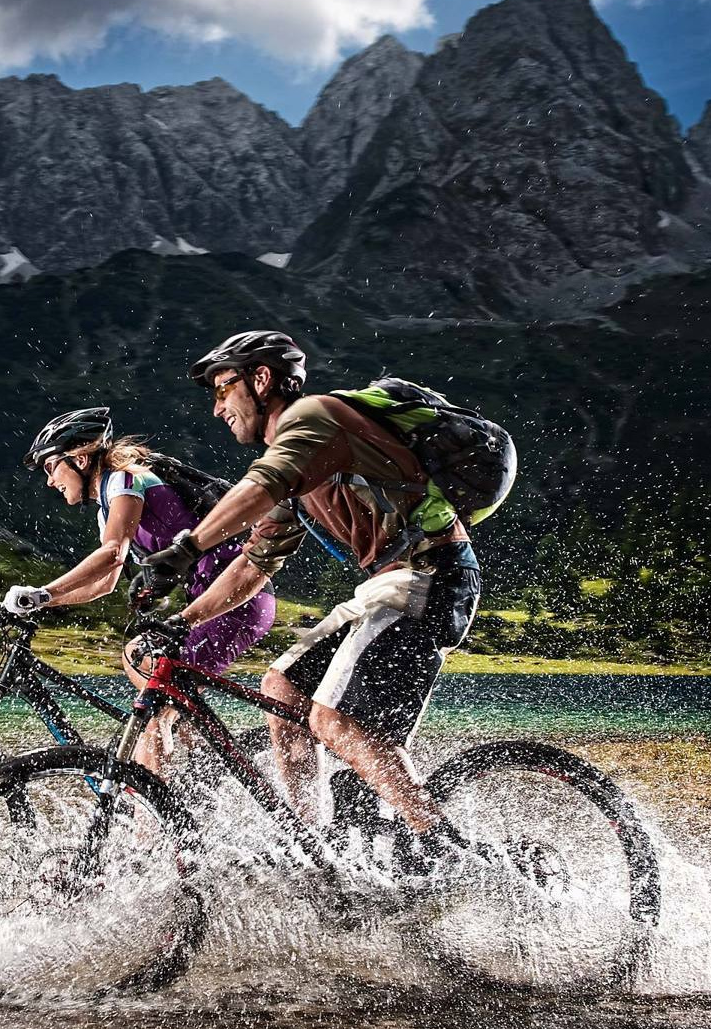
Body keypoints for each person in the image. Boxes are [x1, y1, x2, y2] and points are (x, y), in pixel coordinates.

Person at [134, 331, 484, 864]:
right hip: (388, 586)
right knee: (282, 690)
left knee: (334, 720)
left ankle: (450, 849)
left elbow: (261, 485)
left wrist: (185, 548)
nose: (216, 408)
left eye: (222, 389)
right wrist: (183, 621)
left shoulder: (314, 417)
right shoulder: (298, 467)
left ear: (261, 379)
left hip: (430, 574)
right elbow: (254, 564)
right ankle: (315, 848)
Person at [3, 407, 277, 773]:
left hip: (237, 598)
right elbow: (104, 582)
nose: (50, 481)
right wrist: (43, 602)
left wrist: (43, 592)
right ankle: (194, 772)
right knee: (162, 691)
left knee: (144, 676)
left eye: (52, 467)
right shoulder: (108, 503)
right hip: (217, 603)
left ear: (81, 458)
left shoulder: (125, 479)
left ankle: (154, 812)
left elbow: (112, 554)